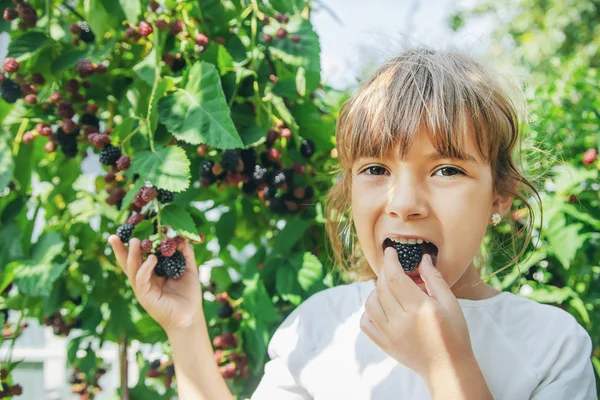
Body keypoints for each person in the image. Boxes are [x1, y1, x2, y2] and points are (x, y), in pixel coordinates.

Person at [108, 47, 598, 400]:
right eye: (376, 169)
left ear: (500, 195)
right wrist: (188, 327)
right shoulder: (319, 328)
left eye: (447, 170)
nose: (404, 203)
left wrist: (447, 365)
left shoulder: (552, 347)